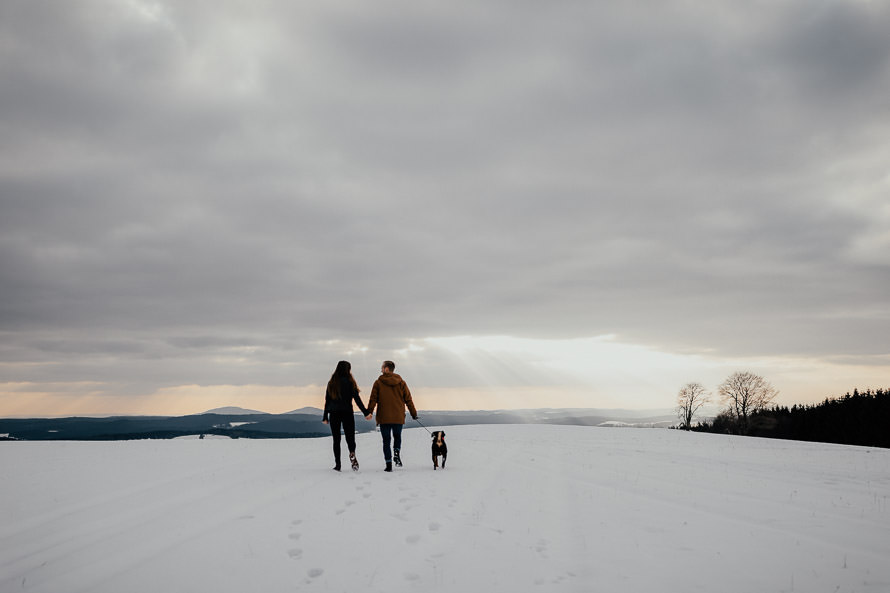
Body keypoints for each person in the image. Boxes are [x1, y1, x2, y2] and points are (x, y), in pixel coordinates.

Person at [366, 360, 417, 472]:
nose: (381, 369)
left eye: (382, 367)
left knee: (386, 440)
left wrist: (369, 411)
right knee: (397, 437)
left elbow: (373, 399)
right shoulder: (401, 382)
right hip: (398, 416)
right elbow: (408, 399)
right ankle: (396, 452)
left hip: (384, 417)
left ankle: (388, 465)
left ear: (387, 369)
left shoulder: (378, 383)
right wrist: (413, 413)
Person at [322, 360, 370, 471]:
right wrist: (365, 412)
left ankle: (338, 465)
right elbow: (357, 400)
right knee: (350, 437)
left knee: (336, 439)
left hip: (334, 413)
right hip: (347, 412)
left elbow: (327, 401)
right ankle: (352, 452)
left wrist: (325, 416)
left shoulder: (332, 383)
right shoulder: (350, 382)